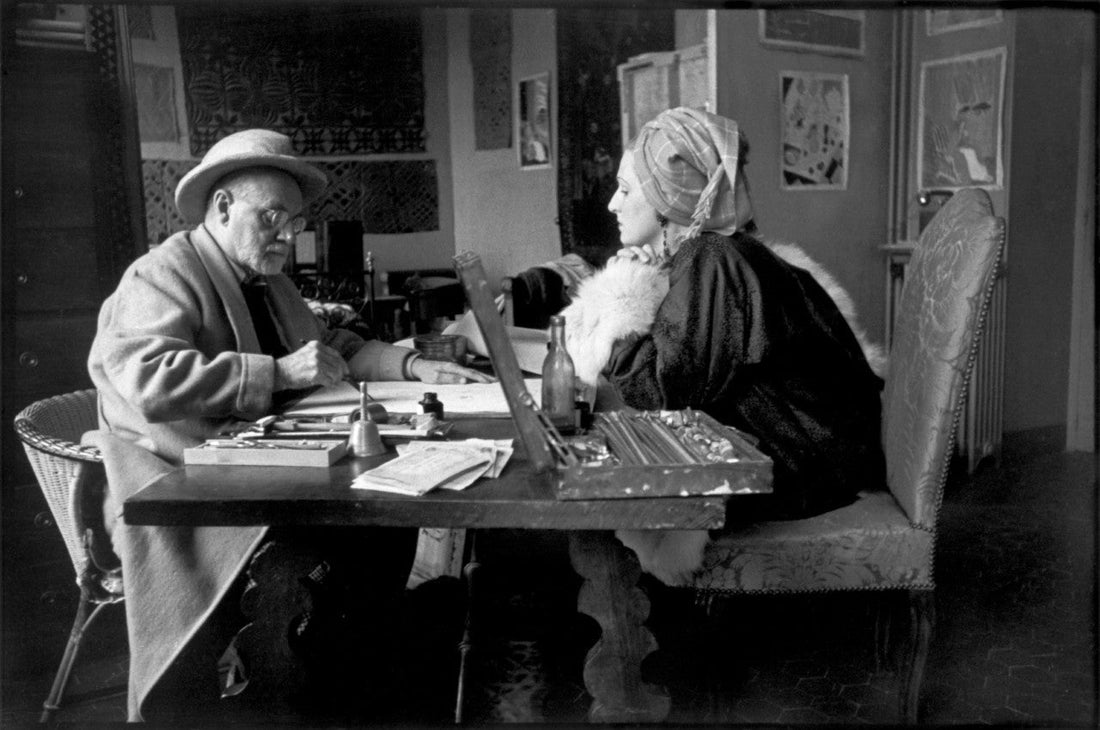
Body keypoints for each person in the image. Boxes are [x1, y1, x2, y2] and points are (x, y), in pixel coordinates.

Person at [85, 128, 491, 721]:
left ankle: (346, 674)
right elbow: (148, 379)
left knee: (387, 519)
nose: (289, 234)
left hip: (264, 465)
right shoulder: (159, 274)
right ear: (222, 208)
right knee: (342, 535)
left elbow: (327, 346)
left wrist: (412, 362)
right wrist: (274, 372)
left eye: (296, 220)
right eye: (273, 216)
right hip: (185, 481)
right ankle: (292, 690)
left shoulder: (269, 281)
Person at [557, 107, 886, 584]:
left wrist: (624, 286)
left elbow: (656, 391)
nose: (611, 203)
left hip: (810, 464)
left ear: (669, 197)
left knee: (614, 473)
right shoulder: (708, 255)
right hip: (810, 446)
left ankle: (624, 610)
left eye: (627, 189)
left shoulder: (714, 257)